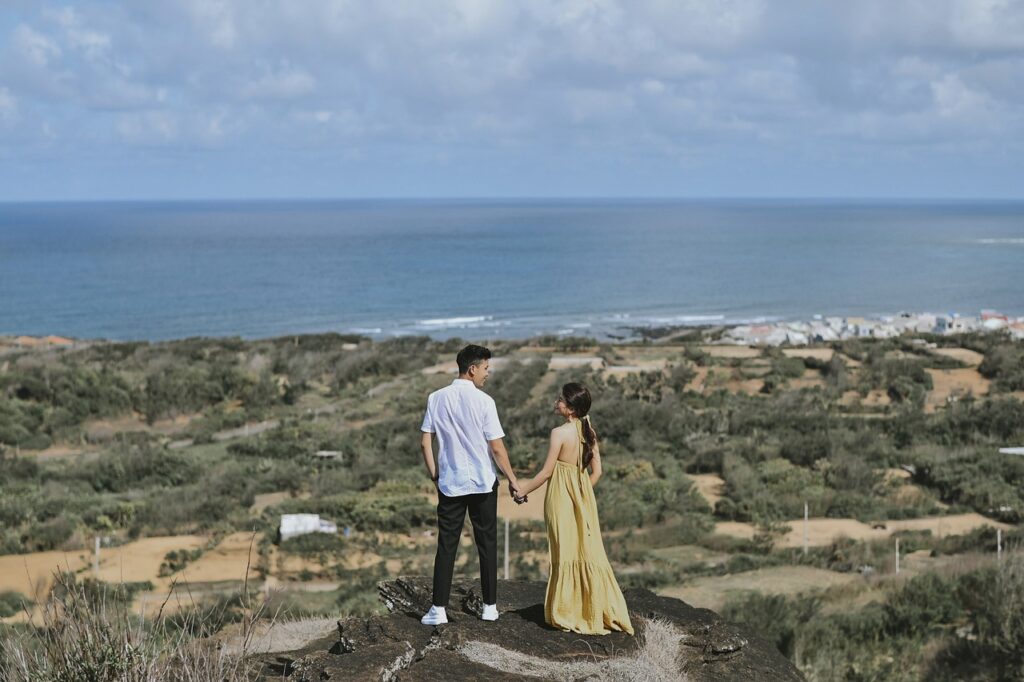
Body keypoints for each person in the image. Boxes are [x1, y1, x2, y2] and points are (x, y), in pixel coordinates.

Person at [515, 382, 634, 635]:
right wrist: (581, 494)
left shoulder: (559, 433)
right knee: (588, 552)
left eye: (561, 399)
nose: (556, 402)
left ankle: (567, 610)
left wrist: (522, 491)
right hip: (584, 501)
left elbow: (547, 472)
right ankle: (595, 609)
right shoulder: (588, 430)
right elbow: (597, 472)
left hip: (559, 500)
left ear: (570, 409)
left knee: (564, 552)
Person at [419, 344, 522, 625]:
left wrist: (434, 474)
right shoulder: (485, 402)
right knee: (487, 543)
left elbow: (425, 440)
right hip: (483, 482)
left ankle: (438, 609)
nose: (488, 374)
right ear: (473, 369)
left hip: (450, 483)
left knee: (447, 545)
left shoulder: (436, 398)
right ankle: (490, 607)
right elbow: (497, 449)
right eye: (486, 368)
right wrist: (513, 480)